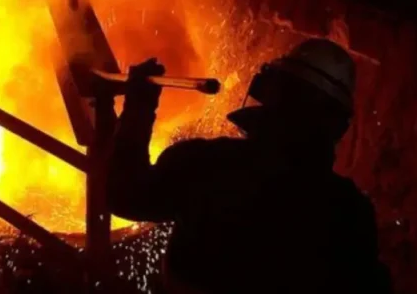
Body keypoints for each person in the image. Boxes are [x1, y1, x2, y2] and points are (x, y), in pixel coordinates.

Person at [107, 38, 392, 293]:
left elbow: (127, 196)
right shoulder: (350, 213)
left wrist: (139, 106)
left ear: (269, 91)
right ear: (339, 126)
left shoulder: (208, 164)